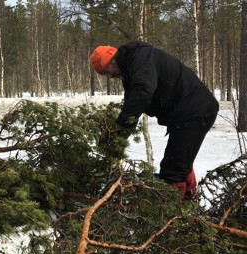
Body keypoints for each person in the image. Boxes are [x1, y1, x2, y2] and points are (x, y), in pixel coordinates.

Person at [90, 41, 219, 199]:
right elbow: (132, 105)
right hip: (185, 114)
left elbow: (141, 94)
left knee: (173, 169)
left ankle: (176, 213)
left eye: (106, 71)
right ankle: (189, 201)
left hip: (195, 111)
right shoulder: (132, 68)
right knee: (179, 161)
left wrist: (119, 131)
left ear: (111, 60)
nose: (109, 77)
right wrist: (115, 135)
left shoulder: (141, 59)